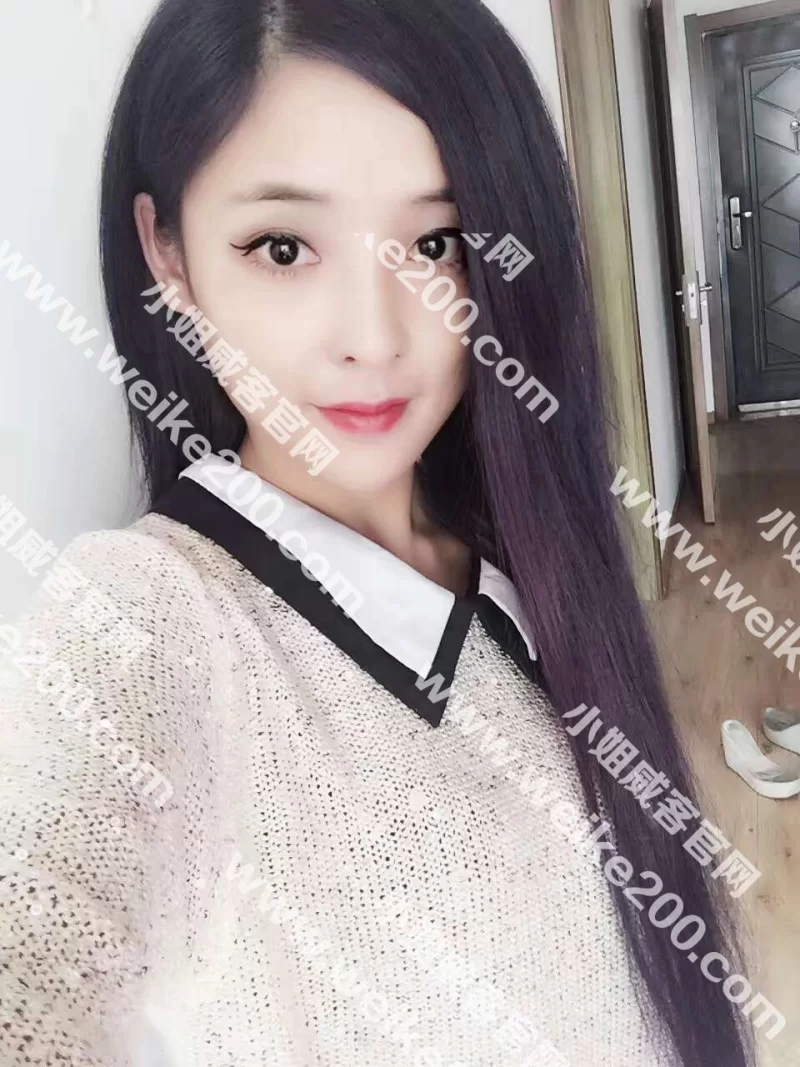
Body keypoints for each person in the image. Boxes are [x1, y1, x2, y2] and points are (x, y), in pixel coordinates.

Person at [0, 0, 757, 1065]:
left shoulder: (519, 558)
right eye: (282, 247)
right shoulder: (148, 620)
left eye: (435, 243)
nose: (373, 337)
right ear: (166, 252)